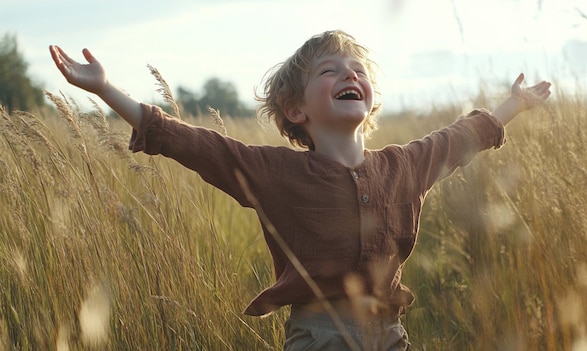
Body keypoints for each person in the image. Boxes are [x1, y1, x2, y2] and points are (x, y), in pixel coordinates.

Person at [49, 30, 551, 351]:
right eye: (329, 71)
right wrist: (106, 89)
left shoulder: (404, 167)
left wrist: (513, 106)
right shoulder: (275, 173)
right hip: (321, 336)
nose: (349, 74)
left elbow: (458, 139)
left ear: (369, 100)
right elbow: (194, 143)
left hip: (391, 333)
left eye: (356, 70)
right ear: (296, 111)